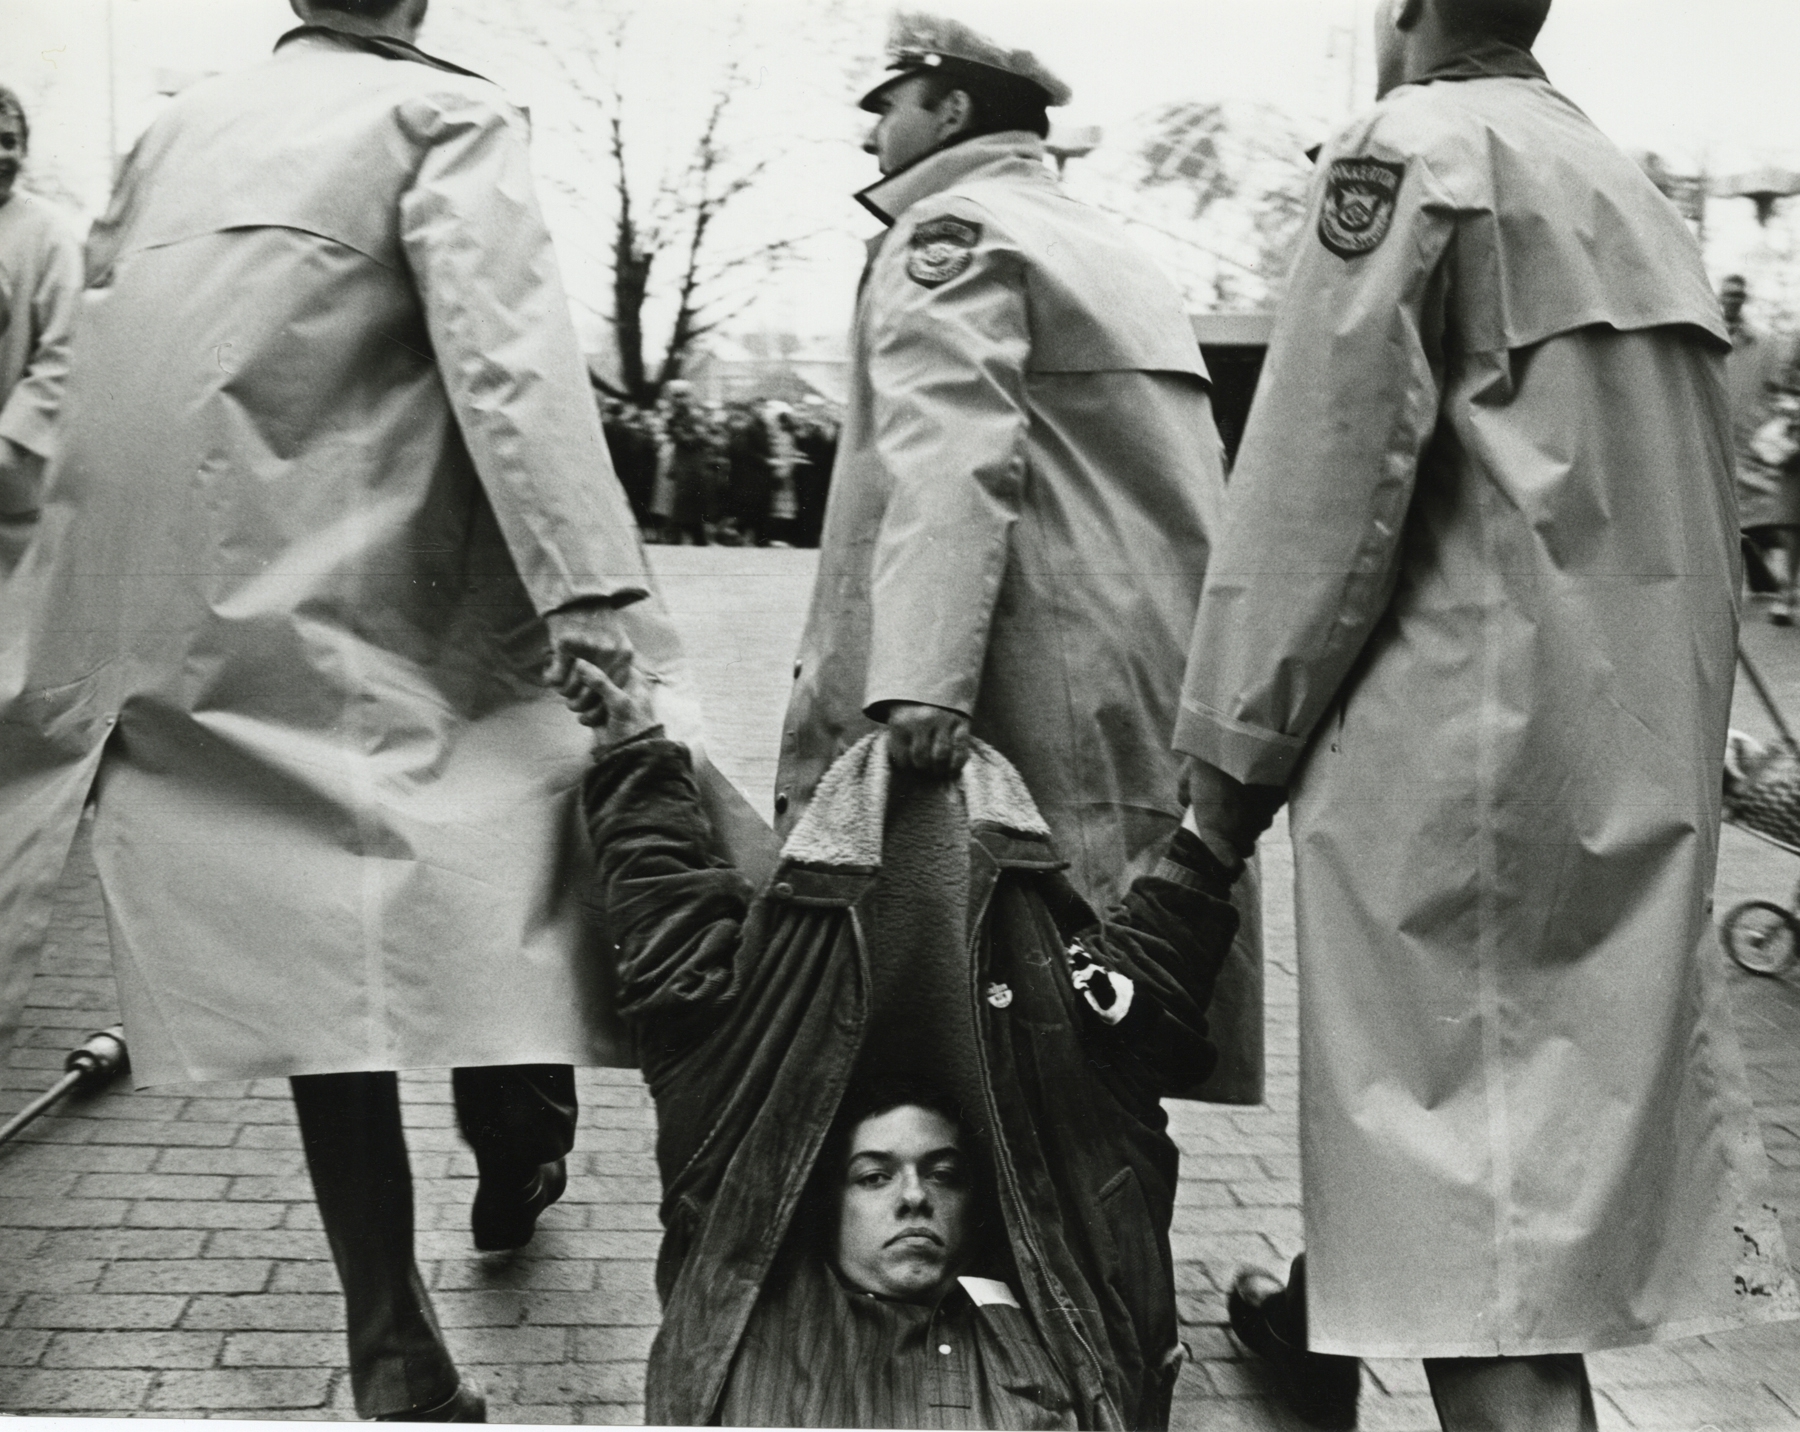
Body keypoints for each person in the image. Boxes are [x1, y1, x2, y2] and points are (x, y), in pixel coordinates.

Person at [0, 0, 717, 1419]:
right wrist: (585, 587)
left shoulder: (174, 131)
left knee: (319, 975)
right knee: (525, 877)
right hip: (411, 596)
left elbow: (91, 374)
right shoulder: (444, 116)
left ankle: (391, 1332)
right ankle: (518, 1136)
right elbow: (507, 363)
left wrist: (81, 607)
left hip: (222, 605)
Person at [1174, 1, 1800, 1428]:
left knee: (1490, 1257)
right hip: (1623, 778)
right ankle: (1312, 1310)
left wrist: (1213, 813)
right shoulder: (1624, 186)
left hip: (1452, 779)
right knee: (1512, 1192)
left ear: (1410, 6)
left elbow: (1315, 508)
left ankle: (1327, 1320)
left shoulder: (1414, 154)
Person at [559, 649, 1252, 1429]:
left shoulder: (1058, 1306)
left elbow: (1129, 1019)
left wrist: (1215, 838)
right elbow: (673, 962)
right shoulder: (749, 1269)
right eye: (873, 1176)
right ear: (826, 1202)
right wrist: (632, 754)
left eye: (944, 1172)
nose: (914, 1197)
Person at [775, 10, 1231, 911]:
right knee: (1141, 939)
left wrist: (920, 679)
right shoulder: (1105, 244)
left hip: (1021, 679)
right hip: (1145, 669)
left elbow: (953, 448)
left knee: (1001, 972)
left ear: (949, 113)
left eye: (889, 105)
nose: (872, 133)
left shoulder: (956, 231)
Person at [0, 85, 81, 580]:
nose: (1, 154)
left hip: (13, 481)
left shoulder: (48, 233)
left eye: (9, 140)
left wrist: (10, 441)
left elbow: (66, 349)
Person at [1721, 275, 1800, 620]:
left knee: (1775, 519)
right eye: (1729, 293)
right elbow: (1784, 383)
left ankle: (1779, 588)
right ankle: (1781, 591)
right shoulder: (1793, 338)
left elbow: (1779, 384)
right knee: (1784, 520)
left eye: (1740, 293)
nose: (1734, 298)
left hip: (1764, 443)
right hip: (1782, 442)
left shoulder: (1767, 342)